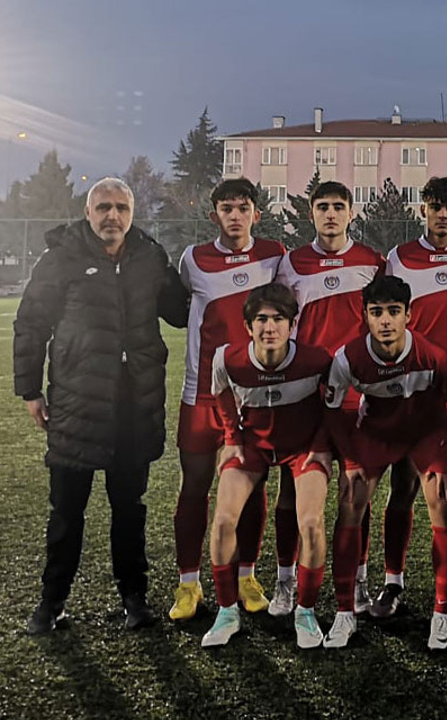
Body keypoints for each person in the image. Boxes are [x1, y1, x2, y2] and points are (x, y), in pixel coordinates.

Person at [14, 177, 188, 634]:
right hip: (76, 405)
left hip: (136, 406)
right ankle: (51, 604)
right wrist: (30, 390)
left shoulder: (149, 257)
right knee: (67, 512)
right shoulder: (61, 258)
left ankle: (134, 597)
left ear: (132, 214)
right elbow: (31, 324)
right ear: (88, 212)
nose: (113, 216)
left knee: (130, 508)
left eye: (121, 208)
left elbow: (182, 311)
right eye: (104, 207)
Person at [324, 275, 447, 650]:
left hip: (424, 433)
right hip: (377, 433)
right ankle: (344, 613)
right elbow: (334, 412)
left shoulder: (432, 355)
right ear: (365, 317)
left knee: (441, 505)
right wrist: (350, 460)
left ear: (408, 315)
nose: (385, 321)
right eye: (376, 313)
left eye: (393, 312)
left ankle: (442, 613)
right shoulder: (348, 357)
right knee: (350, 503)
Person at [170, 178, 286, 622]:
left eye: (243, 207)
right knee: (195, 484)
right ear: (213, 213)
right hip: (201, 392)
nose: (234, 215)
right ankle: (188, 584)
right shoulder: (193, 259)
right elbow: (184, 308)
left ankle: (246, 576)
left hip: (254, 393)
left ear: (256, 213)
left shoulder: (274, 256)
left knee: (252, 485)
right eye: (226, 207)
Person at [374, 177, 447, 619]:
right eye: (435, 206)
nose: (443, 214)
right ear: (422, 209)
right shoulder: (399, 258)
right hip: (411, 386)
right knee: (402, 483)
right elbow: (387, 317)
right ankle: (393, 582)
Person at [274, 180, 386, 617]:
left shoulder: (371, 263)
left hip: (356, 397)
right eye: (323, 206)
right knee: (291, 488)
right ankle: (285, 582)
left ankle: (356, 582)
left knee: (356, 493)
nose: (331, 214)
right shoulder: (292, 263)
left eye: (339, 206)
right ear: (311, 213)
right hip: (305, 396)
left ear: (351, 212)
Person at [201, 284, 333, 648]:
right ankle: (227, 612)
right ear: (248, 326)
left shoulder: (318, 360)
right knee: (224, 519)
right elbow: (222, 396)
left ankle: (304, 612)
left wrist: (321, 448)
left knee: (310, 522)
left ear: (292, 325)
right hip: (254, 447)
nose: (269, 327)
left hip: (302, 448)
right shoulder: (227, 359)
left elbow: (332, 407)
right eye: (261, 319)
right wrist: (231, 438)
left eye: (278, 319)